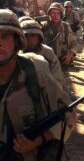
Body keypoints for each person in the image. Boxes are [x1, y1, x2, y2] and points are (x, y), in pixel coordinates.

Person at [0, 9, 75, 160]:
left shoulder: (36, 70)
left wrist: (38, 140)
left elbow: (67, 115)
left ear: (17, 41)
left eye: (5, 36)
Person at [19, 17, 64, 85]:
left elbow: (57, 80)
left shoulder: (48, 53)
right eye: (26, 36)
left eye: (33, 36)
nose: (29, 40)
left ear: (39, 37)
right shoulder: (15, 53)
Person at [42, 2, 78, 68]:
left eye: (58, 13)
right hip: (47, 62)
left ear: (61, 15)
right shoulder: (44, 26)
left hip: (62, 61)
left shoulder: (66, 27)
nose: (56, 15)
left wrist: (69, 55)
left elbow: (74, 43)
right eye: (53, 13)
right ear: (49, 14)